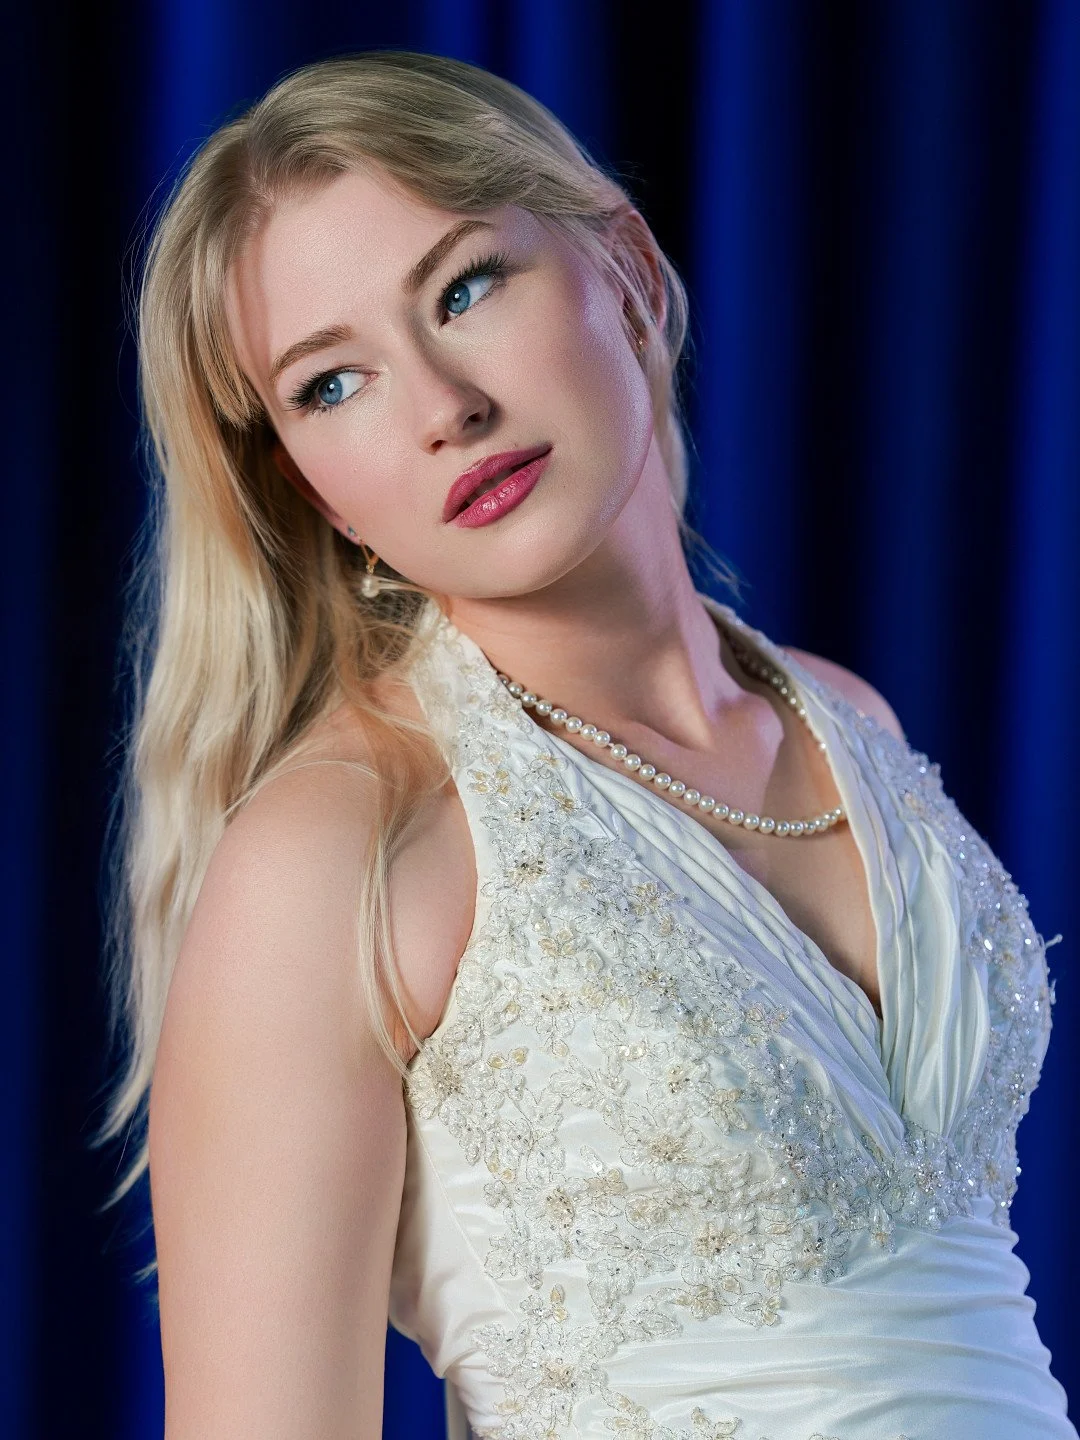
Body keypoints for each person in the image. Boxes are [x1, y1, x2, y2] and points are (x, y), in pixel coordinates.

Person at [97, 49, 1075, 1440]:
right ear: (305, 488)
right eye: (332, 385)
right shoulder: (341, 854)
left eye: (465, 289)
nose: (444, 406)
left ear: (622, 267)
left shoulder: (846, 720)